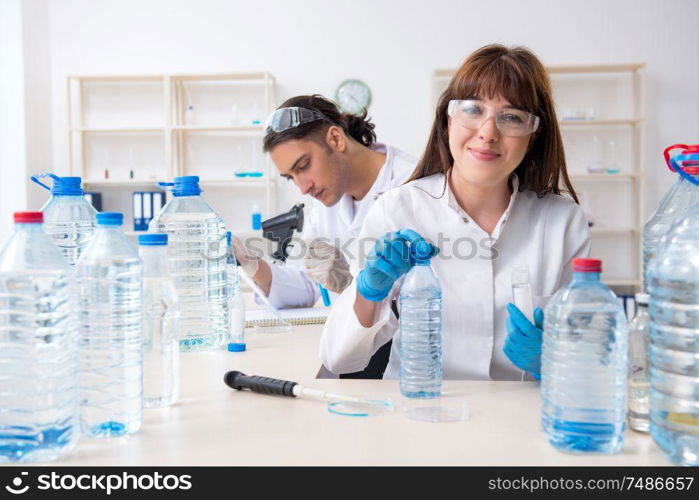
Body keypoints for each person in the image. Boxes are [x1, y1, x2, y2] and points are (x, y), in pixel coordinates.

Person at [320, 44, 591, 381]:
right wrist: (368, 291)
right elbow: (339, 358)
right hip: (419, 409)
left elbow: (590, 361)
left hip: (518, 420)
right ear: (448, 121)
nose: (488, 132)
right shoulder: (398, 209)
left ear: (533, 136)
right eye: (473, 110)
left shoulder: (563, 223)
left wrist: (553, 363)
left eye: (512, 118)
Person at [231, 95, 417, 311]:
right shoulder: (328, 198)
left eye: (303, 166)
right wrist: (251, 264)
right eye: (291, 177)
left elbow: (428, 296)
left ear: (336, 139)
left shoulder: (413, 187)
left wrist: (354, 285)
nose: (303, 188)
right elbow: (308, 284)